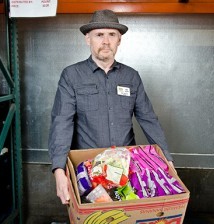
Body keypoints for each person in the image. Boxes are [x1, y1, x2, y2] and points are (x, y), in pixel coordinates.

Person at [48, 9, 173, 205]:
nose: (106, 41)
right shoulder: (72, 76)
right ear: (88, 39)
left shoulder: (131, 77)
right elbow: (61, 121)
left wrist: (167, 160)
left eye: (112, 35)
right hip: (87, 171)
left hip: (126, 171)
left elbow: (148, 119)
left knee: (125, 217)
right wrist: (58, 169)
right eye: (99, 35)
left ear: (119, 40)